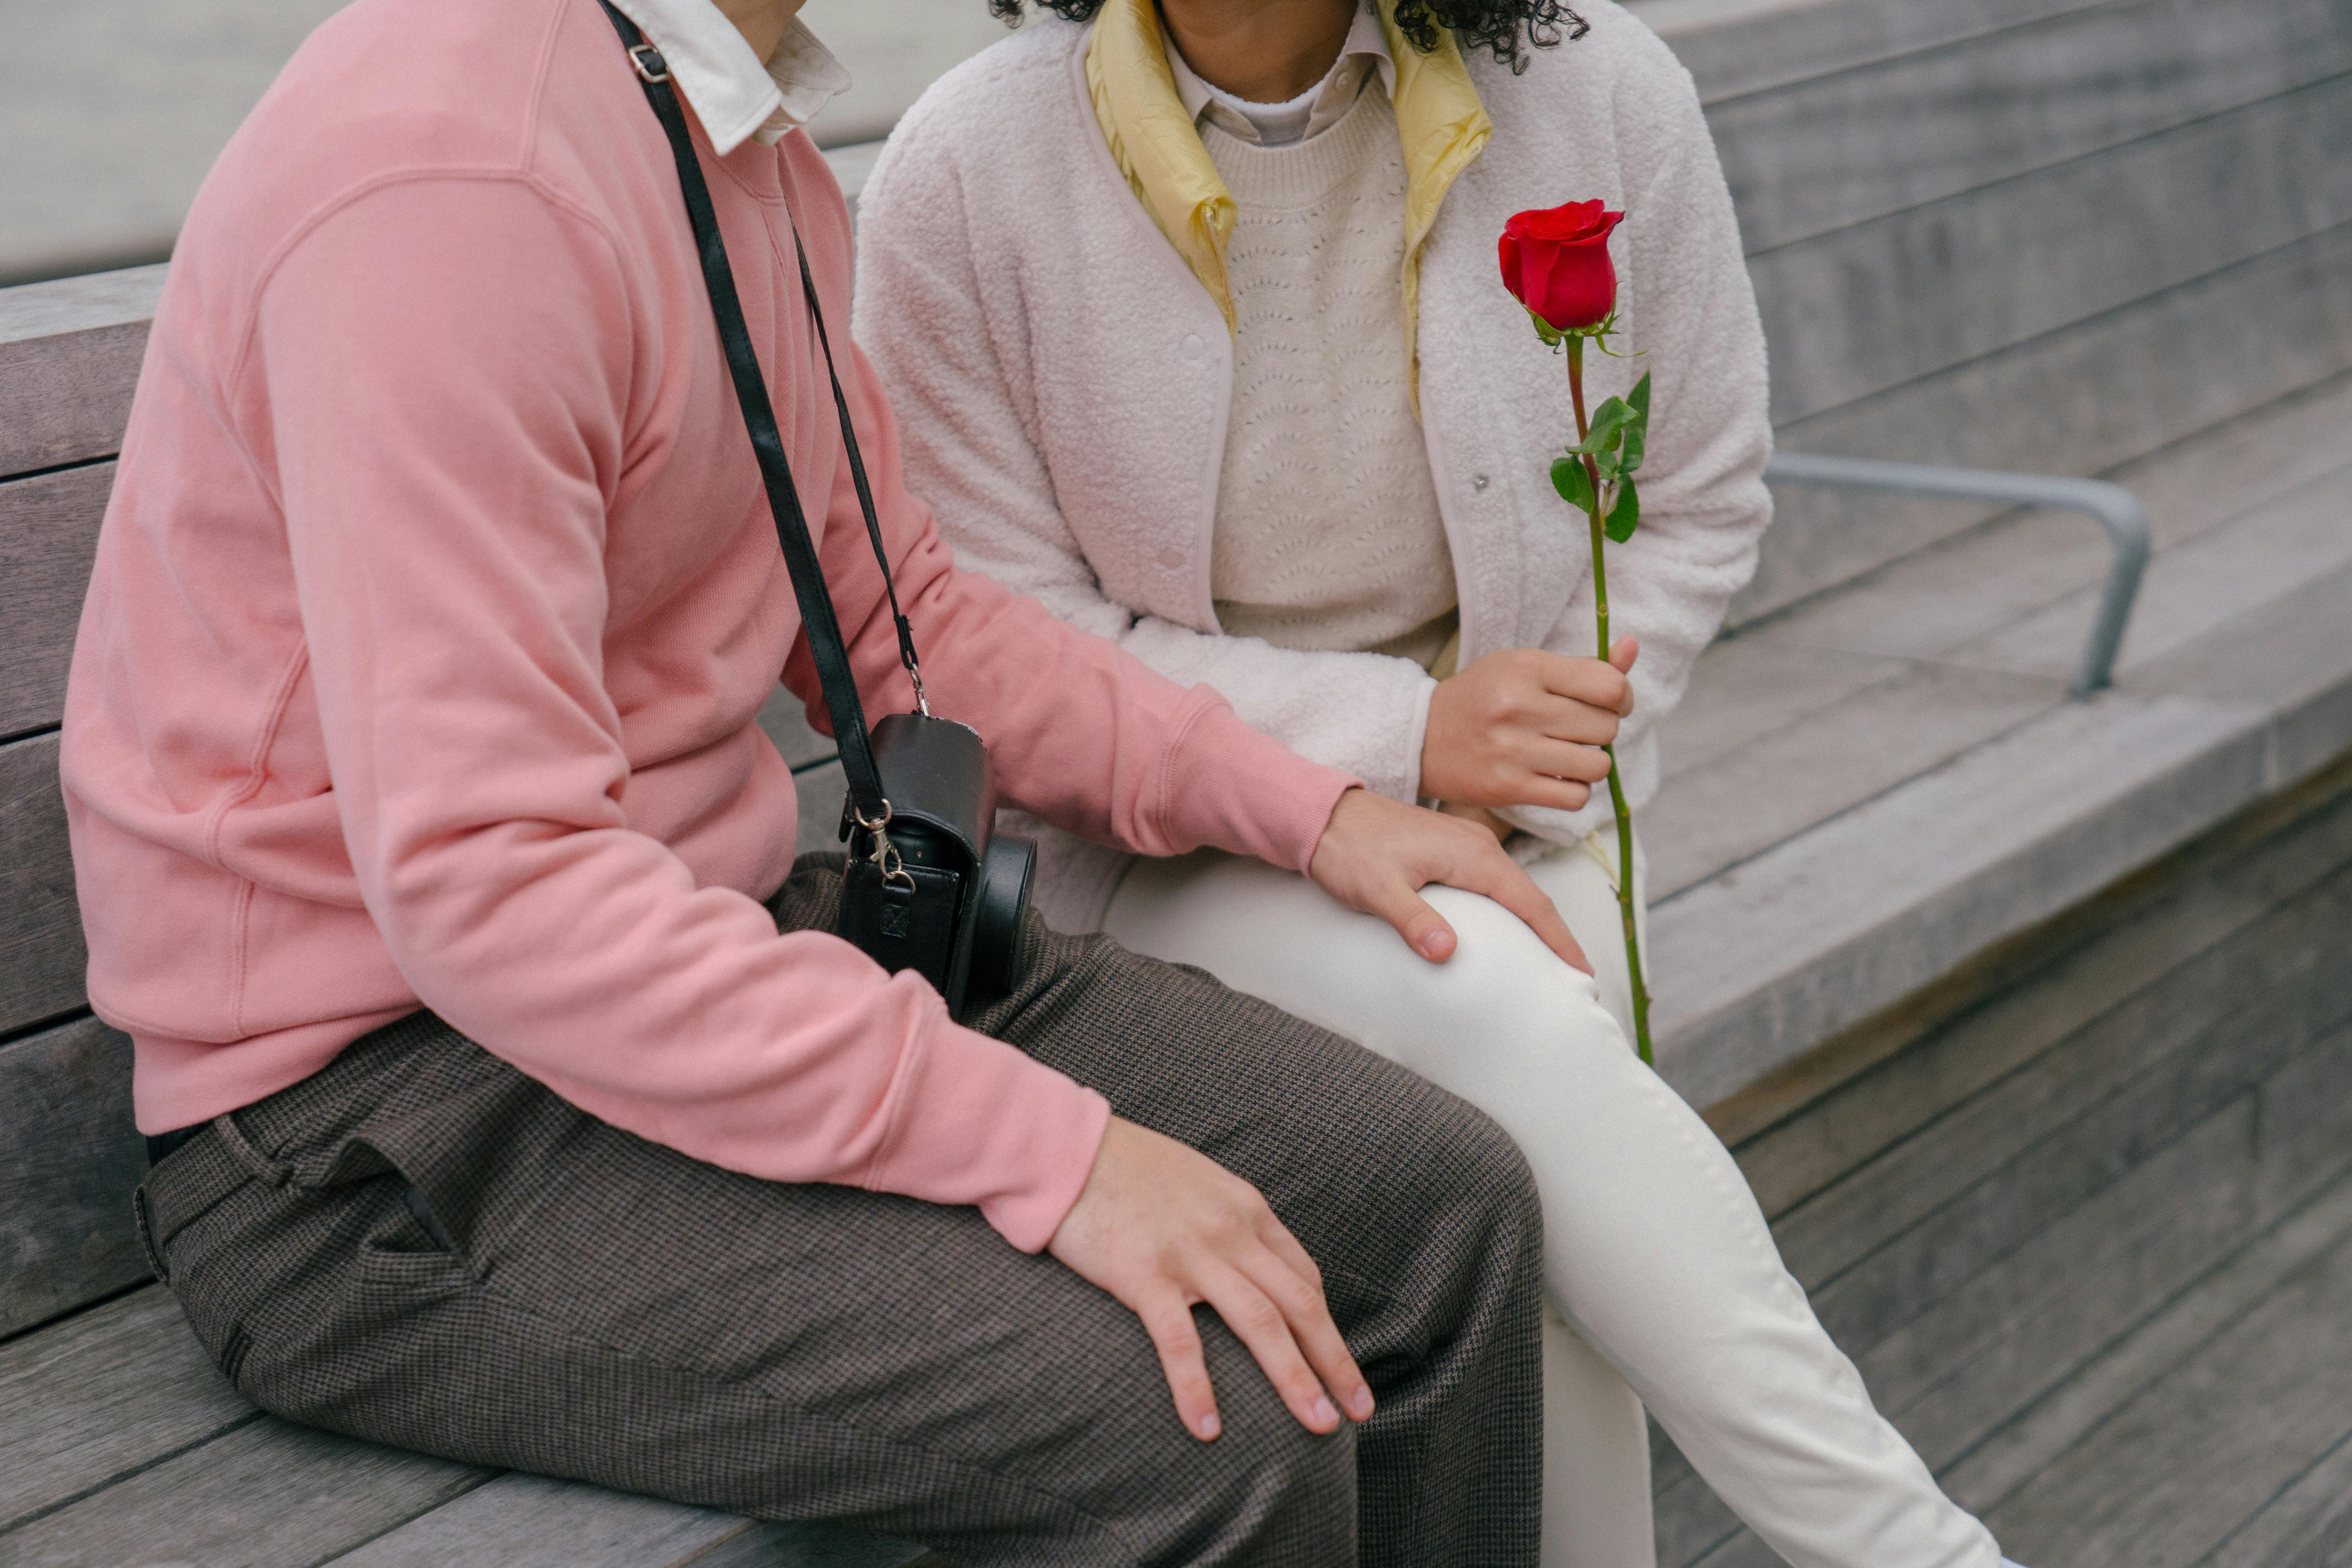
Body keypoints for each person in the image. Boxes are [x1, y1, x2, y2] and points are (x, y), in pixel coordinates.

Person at [59, 0, 1574, 1560]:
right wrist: (1056, 1154)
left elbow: (905, 621)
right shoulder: (459, 183)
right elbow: (490, 879)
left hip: (681, 955)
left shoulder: (717, 119)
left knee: (1439, 1207)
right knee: (1207, 1432)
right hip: (369, 1132)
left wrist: (1314, 806)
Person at [851, 1, 2034, 1564]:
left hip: (1522, 818)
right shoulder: (967, 169)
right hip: (1152, 853)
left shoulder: (1596, 87)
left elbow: (1695, 491)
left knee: (1524, 1104)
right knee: (1500, 1017)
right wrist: (1401, 737)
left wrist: (1527, 748)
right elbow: (994, 637)